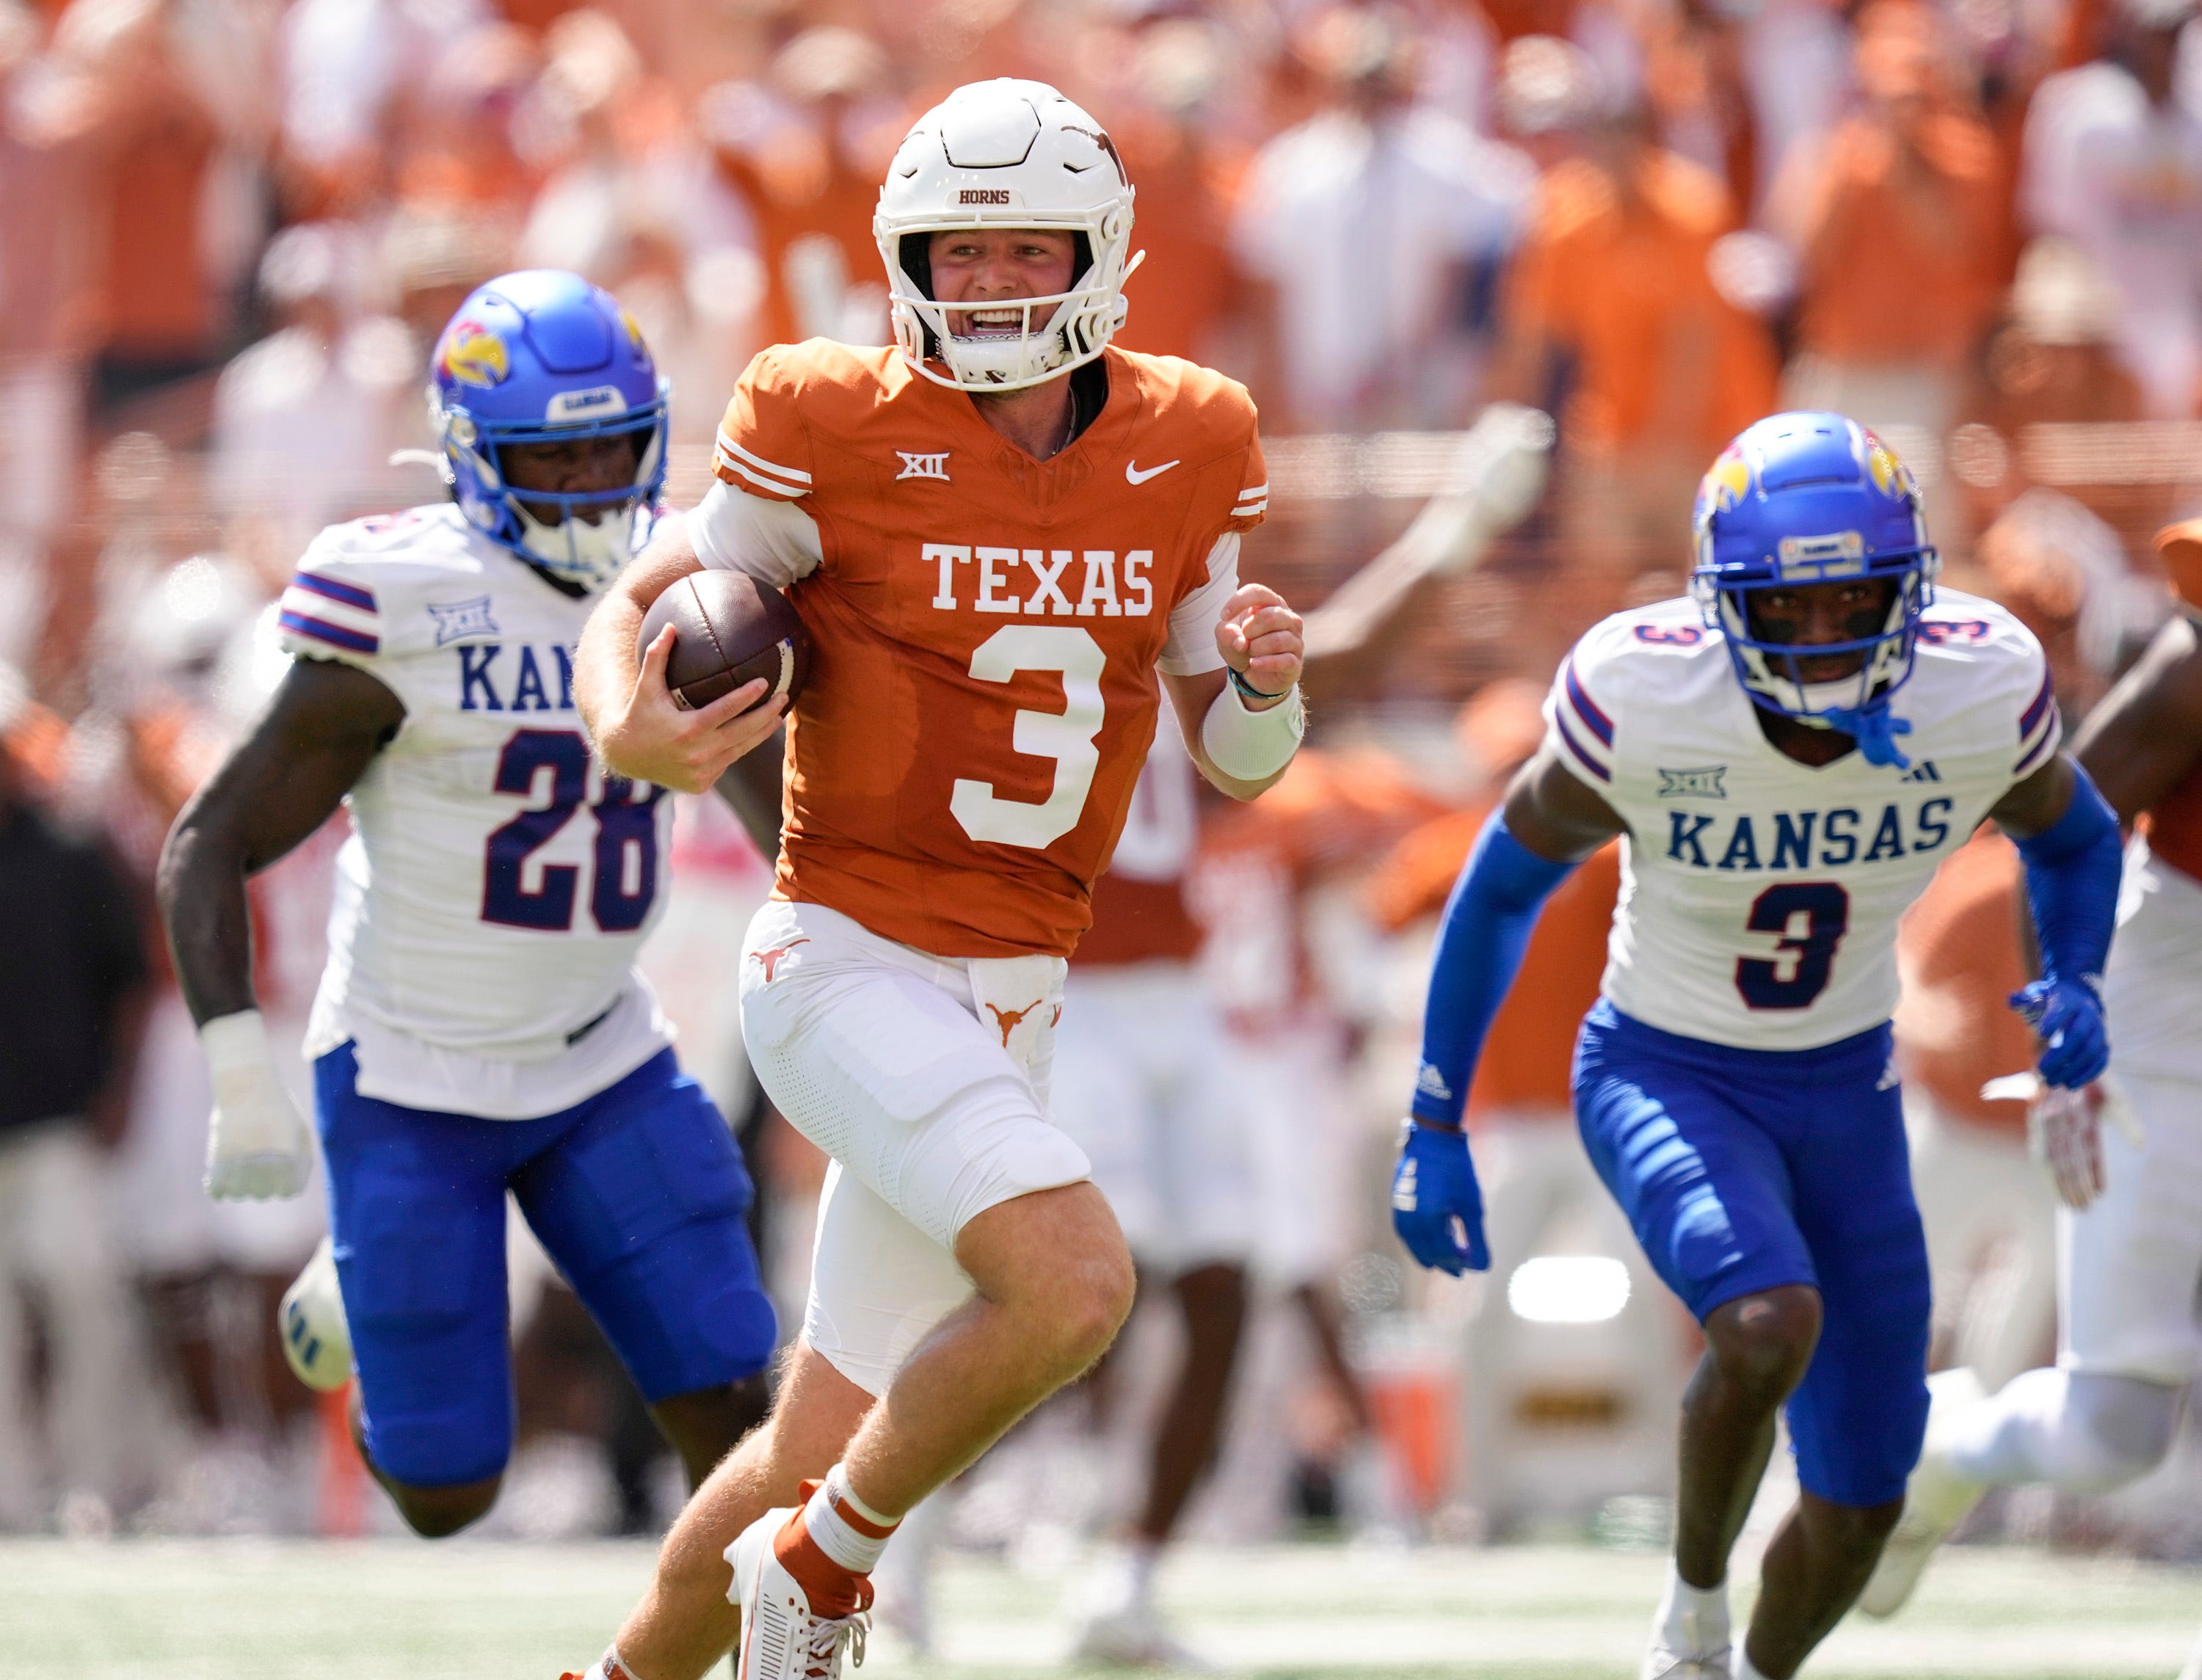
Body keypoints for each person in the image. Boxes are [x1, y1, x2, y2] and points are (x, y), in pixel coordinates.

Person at [564, 78, 1304, 1680]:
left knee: (807, 1435)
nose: (977, 285)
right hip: (845, 953)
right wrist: (623, 703)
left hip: (1019, 986)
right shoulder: (824, 410)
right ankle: (826, 1575)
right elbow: (658, 581)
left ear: (1098, 250)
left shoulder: (1194, 434)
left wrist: (1263, 687)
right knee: (1076, 1279)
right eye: (947, 254)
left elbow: (1241, 763)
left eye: (1016, 249)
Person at [1389, 411, 2122, 1680]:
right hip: (1666, 1064)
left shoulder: (1977, 684)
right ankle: (1688, 1625)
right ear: (1725, 605)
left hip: (1849, 1085)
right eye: (1794, 609)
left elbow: (2077, 835)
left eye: (1859, 601)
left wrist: (2076, 974)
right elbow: (1499, 886)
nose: (1832, 638)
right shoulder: (1645, 691)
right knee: (1768, 1317)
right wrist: (1435, 1115)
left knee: (1861, 1505)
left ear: (1913, 590)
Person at [158, 270, 779, 1541]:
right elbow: (210, 842)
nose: (597, 480)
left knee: (727, 1386)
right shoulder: (400, 601)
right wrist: (238, 1076)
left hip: (601, 1049)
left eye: (618, 445)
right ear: (471, 458)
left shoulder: (683, 584)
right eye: (556, 458)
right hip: (407, 1066)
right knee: (446, 1488)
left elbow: (791, 827)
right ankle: (363, 1284)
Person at [1858, 518, 2202, 1616]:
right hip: (2171, 1030)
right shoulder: (2192, 676)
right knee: (2112, 1432)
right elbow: (2062, 836)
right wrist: (2066, 1046)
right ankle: (1942, 1447)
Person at [0, 661, 161, 1527]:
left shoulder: (69, 850)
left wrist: (120, 1092)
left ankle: (96, 1482)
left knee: (84, 1301)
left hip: (59, 1121)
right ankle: (11, 1494)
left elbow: (127, 978)